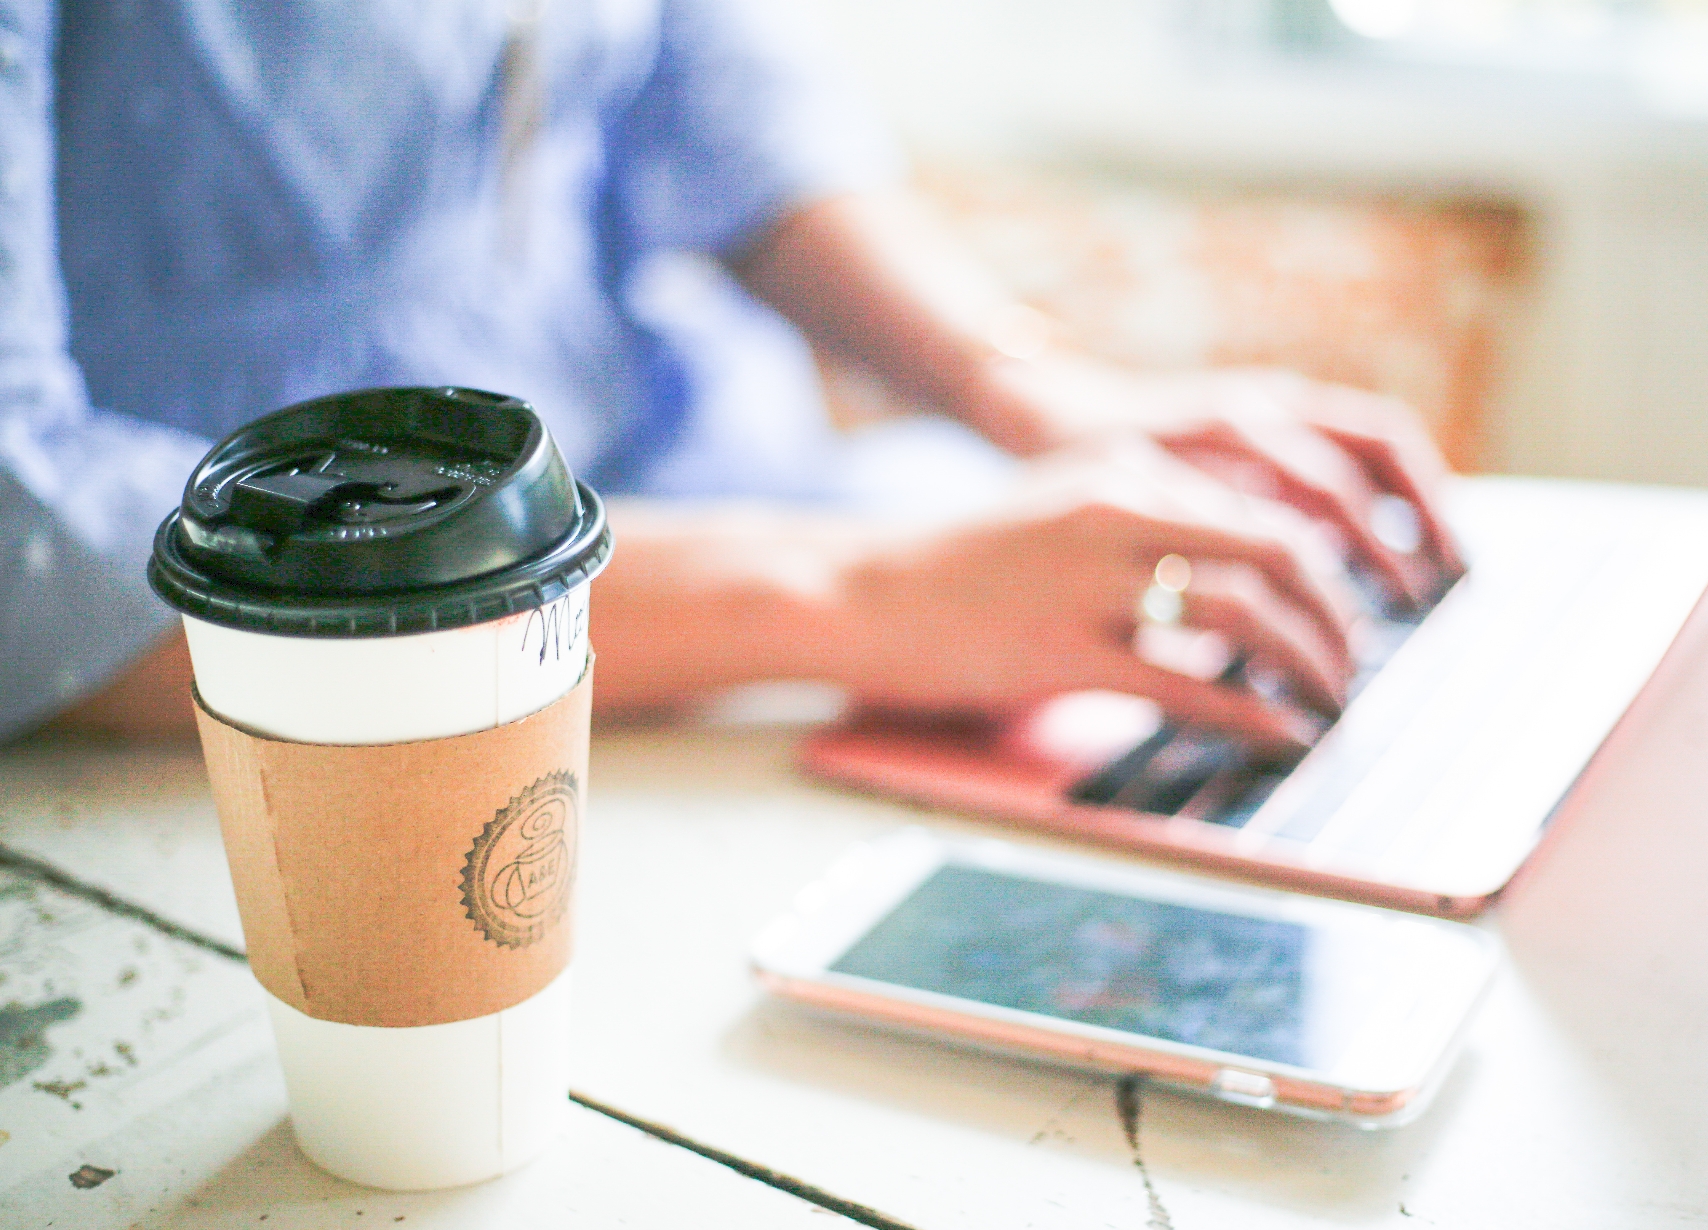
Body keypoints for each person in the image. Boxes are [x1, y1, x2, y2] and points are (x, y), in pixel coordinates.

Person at [0, 0, 1460, 748]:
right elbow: (33, 539)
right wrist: (870, 598)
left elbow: (708, 83)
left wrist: (1034, 388)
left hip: (708, 498)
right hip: (301, 694)